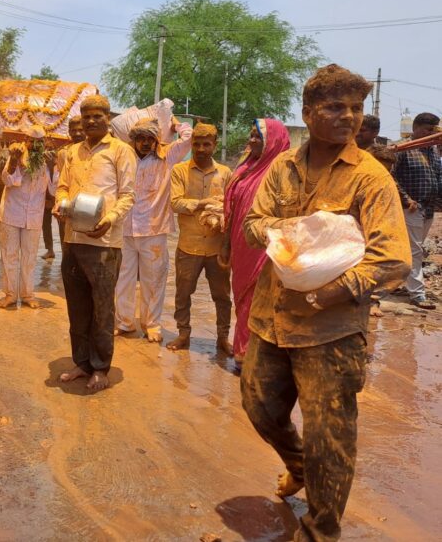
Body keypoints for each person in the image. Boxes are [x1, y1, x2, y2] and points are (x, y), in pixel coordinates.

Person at [241, 64, 410, 542]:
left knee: (329, 438)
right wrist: (282, 234)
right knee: (259, 405)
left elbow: (392, 259)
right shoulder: (283, 166)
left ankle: (320, 529)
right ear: (308, 113)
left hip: (331, 331)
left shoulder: (370, 178)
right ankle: (298, 468)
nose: (349, 117)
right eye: (336, 107)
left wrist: (326, 293)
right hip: (272, 318)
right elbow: (256, 222)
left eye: (356, 108)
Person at [54, 95, 136, 392]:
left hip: (105, 242)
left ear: (107, 117)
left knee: (102, 308)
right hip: (72, 239)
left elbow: (128, 195)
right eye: (86, 116)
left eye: (97, 116)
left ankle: (101, 367)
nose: (90, 121)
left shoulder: (121, 151)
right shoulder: (72, 153)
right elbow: (62, 186)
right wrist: (60, 204)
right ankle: (82, 362)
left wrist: (110, 219)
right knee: (77, 306)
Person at [115, 117, 191, 343]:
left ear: (157, 140)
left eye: (151, 138)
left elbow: (188, 137)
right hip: (125, 229)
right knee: (123, 279)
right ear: (134, 140)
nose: (146, 143)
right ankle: (124, 322)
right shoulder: (124, 158)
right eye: (141, 139)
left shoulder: (167, 157)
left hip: (154, 228)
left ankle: (152, 324)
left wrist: (175, 123)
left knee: (154, 280)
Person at [220, 119, 291, 364]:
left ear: (274, 141)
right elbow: (231, 209)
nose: (251, 141)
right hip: (242, 246)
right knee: (242, 299)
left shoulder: (284, 173)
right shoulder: (245, 167)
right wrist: (226, 244)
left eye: (258, 137)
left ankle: (252, 357)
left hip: (267, 248)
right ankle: (243, 350)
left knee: (261, 300)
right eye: (251, 135)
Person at [169, 123, 233, 354]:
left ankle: (223, 338)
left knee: (222, 296)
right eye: (196, 143)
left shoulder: (225, 173)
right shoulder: (179, 171)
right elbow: (175, 203)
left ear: (215, 145)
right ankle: (183, 333)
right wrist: (202, 204)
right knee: (183, 293)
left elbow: (231, 207)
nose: (201, 148)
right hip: (189, 246)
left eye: (207, 144)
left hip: (217, 248)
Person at [0, 125, 53, 309]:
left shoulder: (47, 161)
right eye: (32, 141)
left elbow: (53, 189)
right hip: (11, 214)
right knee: (9, 255)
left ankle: (28, 294)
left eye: (39, 142)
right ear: (26, 140)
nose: (35, 145)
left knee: (29, 257)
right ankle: (10, 294)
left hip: (34, 216)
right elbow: (8, 181)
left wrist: (54, 167)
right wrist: (14, 162)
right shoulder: (16, 154)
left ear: (43, 143)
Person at [392, 112, 441, 310]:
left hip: (428, 209)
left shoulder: (432, 151)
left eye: (434, 131)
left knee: (411, 249)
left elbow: (438, 177)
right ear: (416, 129)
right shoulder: (402, 149)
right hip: (411, 208)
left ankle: (400, 284)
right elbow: (390, 177)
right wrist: (406, 199)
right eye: (428, 131)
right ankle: (418, 294)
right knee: (415, 250)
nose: (431, 134)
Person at [55, 116, 85, 256]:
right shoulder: (63, 153)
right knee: (67, 246)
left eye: (80, 130)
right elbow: (63, 182)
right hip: (69, 204)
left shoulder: (96, 150)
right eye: (74, 130)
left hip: (88, 205)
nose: (77, 134)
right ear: (69, 132)